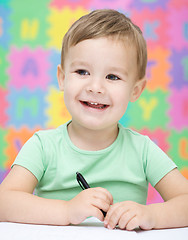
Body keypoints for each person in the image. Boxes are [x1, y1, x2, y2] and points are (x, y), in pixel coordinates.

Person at [0, 9, 188, 231]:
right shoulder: (43, 146)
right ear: (62, 78)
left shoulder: (143, 150)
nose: (95, 87)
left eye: (112, 76)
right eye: (82, 72)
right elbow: (4, 203)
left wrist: (151, 215)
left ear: (135, 90)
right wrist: (67, 210)